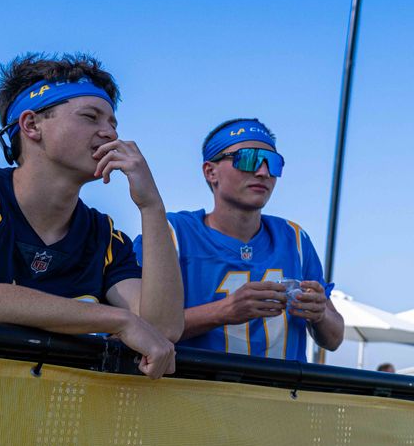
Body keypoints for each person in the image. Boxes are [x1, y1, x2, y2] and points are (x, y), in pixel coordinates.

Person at [0, 53, 181, 378]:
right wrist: (117, 319)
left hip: (26, 420)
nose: (110, 133)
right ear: (32, 125)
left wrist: (151, 206)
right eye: (91, 117)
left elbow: (162, 329)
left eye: (113, 123)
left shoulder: (104, 235)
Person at [137, 118, 343, 361]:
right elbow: (140, 329)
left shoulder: (295, 238)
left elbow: (334, 339)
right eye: (247, 158)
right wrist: (224, 311)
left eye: (273, 163)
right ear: (210, 171)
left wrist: (319, 314)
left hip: (279, 397)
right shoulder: (172, 233)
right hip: (195, 395)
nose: (263, 172)